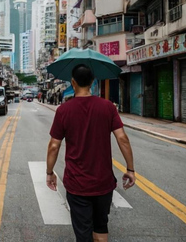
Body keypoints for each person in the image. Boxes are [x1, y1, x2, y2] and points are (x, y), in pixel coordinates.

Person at [46, 64, 136, 242]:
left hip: (77, 183)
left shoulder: (63, 110)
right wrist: (130, 169)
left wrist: (49, 173)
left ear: (73, 82)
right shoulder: (108, 107)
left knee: (83, 233)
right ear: (93, 82)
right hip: (103, 182)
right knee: (101, 229)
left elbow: (54, 146)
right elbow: (122, 138)